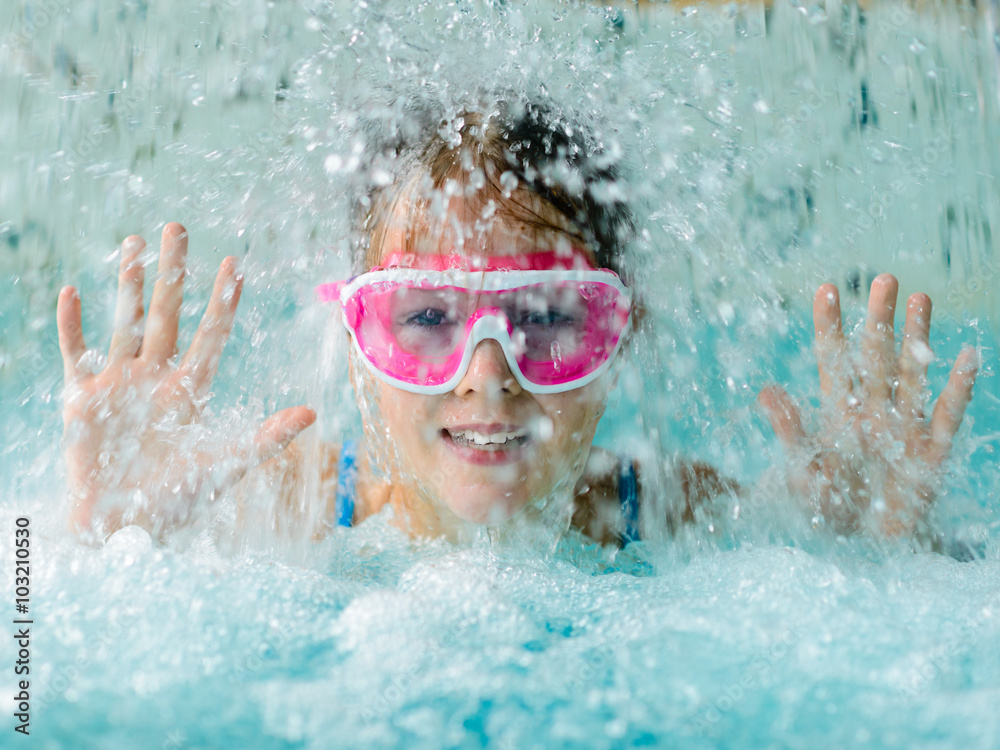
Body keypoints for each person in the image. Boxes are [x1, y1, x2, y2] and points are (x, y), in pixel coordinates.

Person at [55, 100, 979, 548]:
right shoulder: (285, 504)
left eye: (545, 315)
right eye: (425, 316)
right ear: (357, 337)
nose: (488, 374)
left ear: (619, 336)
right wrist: (100, 531)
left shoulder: (665, 512)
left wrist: (879, 538)